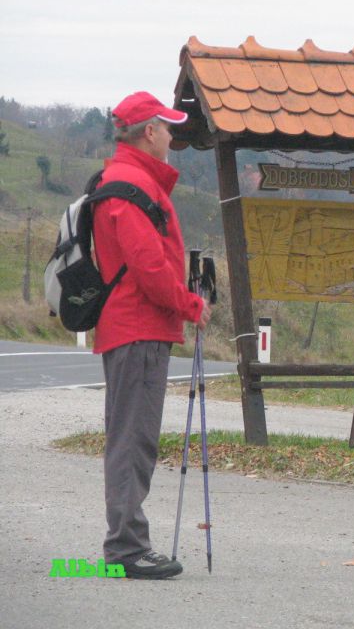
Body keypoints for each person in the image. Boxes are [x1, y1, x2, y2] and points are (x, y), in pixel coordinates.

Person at [93, 91, 212, 579]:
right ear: (148, 132)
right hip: (138, 328)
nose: (172, 135)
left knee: (130, 436)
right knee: (133, 439)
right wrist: (191, 306)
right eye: (167, 127)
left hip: (132, 327)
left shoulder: (125, 181)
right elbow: (149, 266)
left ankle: (127, 543)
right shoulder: (131, 186)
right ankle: (125, 549)